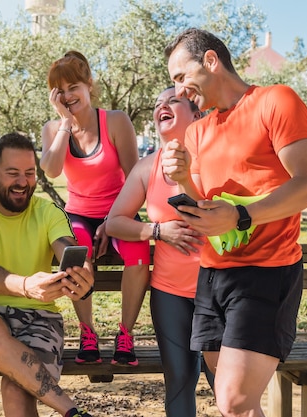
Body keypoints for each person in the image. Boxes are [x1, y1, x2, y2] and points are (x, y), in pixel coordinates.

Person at [162, 28, 307, 417]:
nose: (180, 92)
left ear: (212, 61)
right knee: (237, 404)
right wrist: (183, 178)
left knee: (232, 399)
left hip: (267, 272)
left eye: (182, 77)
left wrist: (242, 216)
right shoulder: (199, 130)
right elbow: (207, 206)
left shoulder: (276, 101)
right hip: (213, 276)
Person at [0, 133, 95, 417]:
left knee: (16, 387)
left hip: (40, 319)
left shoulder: (49, 211)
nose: (22, 182)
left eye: (30, 173)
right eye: (13, 173)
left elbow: (66, 247)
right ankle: (72, 412)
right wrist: (27, 286)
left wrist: (82, 272)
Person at [106, 86, 215, 416]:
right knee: (180, 379)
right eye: (157, 104)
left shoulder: (216, 158)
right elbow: (114, 222)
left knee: (225, 382)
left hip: (220, 290)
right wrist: (156, 231)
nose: (161, 107)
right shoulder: (147, 166)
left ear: (197, 113)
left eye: (172, 101)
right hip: (170, 293)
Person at [40, 50, 151, 366]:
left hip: (120, 209)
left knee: (139, 254)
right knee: (76, 256)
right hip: (77, 215)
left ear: (89, 85)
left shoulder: (115, 121)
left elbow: (135, 180)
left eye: (73, 86)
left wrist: (112, 222)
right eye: (60, 90)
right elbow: (49, 169)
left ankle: (125, 334)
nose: (68, 95)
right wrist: (65, 123)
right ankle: (87, 332)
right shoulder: (52, 128)